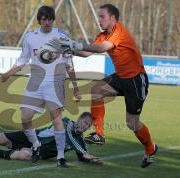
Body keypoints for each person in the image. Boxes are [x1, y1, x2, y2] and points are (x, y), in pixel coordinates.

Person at [49, 4, 158, 168]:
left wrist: (73, 43)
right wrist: (66, 48)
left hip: (136, 80)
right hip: (121, 77)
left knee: (132, 123)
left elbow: (101, 48)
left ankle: (151, 148)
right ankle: (99, 133)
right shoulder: (104, 34)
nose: (99, 20)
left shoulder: (119, 32)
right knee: (96, 89)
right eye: (98, 17)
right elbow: (86, 53)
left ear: (113, 18)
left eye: (102, 17)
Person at [1, 5, 81, 168]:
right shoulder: (30, 37)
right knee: (25, 117)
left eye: (49, 19)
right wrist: (9, 73)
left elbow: (69, 63)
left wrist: (75, 87)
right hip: (36, 82)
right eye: (44, 19)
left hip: (55, 82)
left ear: (53, 20)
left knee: (57, 120)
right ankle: (36, 144)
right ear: (39, 20)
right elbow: (23, 60)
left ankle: (60, 158)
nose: (47, 22)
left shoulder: (61, 36)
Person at [0, 112, 103, 166]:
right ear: (79, 120)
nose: (85, 127)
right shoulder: (67, 123)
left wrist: (93, 159)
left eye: (88, 126)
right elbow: (71, 140)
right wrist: (85, 153)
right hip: (32, 137)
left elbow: (82, 154)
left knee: (24, 155)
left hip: (39, 151)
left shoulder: (80, 140)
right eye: (84, 123)